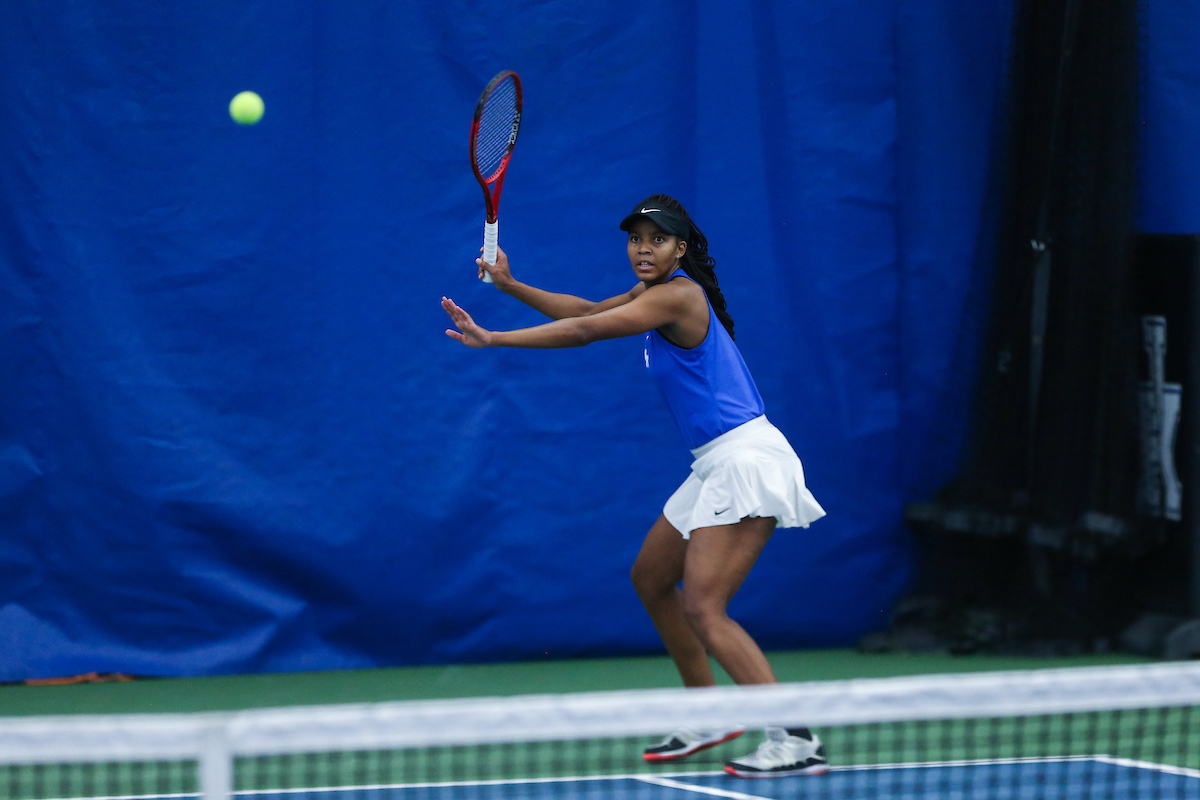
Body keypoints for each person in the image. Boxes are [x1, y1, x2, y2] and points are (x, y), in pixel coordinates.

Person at [442, 194, 828, 778]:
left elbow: (585, 331)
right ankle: (708, 710)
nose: (643, 249)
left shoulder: (679, 295)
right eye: (635, 239)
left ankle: (795, 737)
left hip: (746, 460)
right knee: (651, 578)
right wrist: (511, 286)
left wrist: (495, 339)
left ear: (681, 248)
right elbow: (587, 308)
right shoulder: (653, 295)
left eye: (657, 239)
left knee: (705, 606)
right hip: (714, 463)